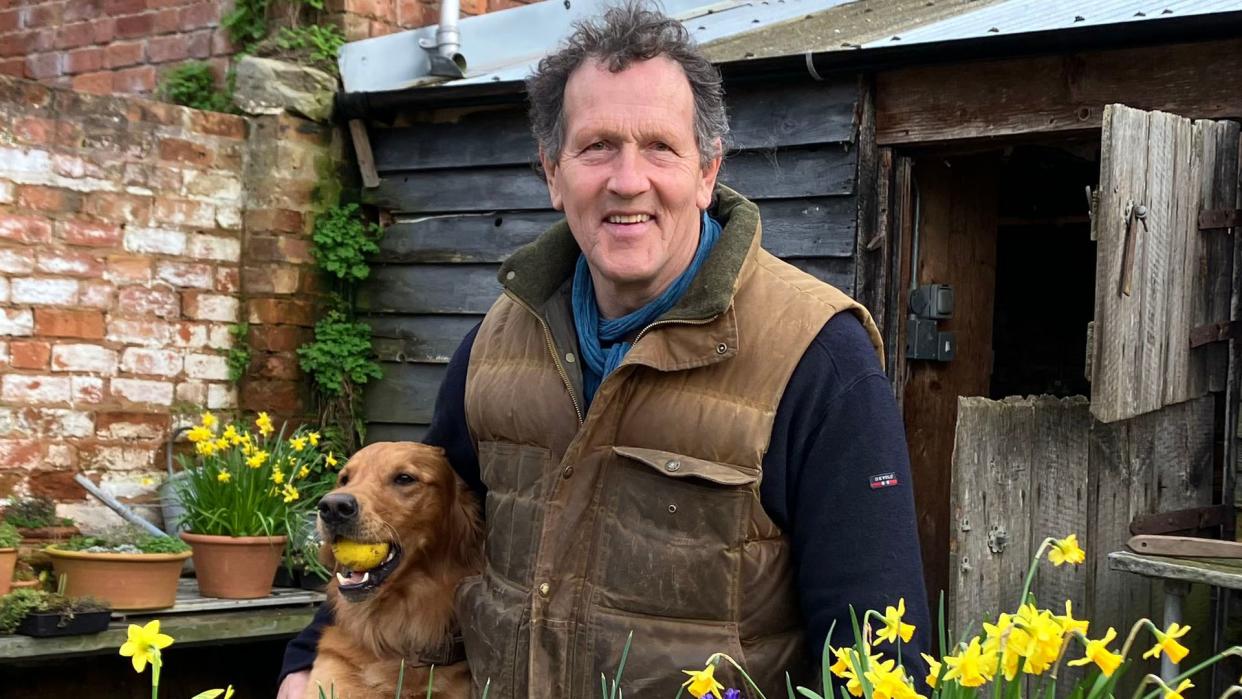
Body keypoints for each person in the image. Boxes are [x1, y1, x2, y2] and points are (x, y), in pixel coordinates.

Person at [278, 4, 930, 698]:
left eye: (660, 147)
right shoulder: (496, 343)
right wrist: (303, 659)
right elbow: (413, 529)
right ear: (553, 172)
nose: (627, 180)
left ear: (708, 172)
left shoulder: (819, 359)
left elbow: (879, 654)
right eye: (597, 147)